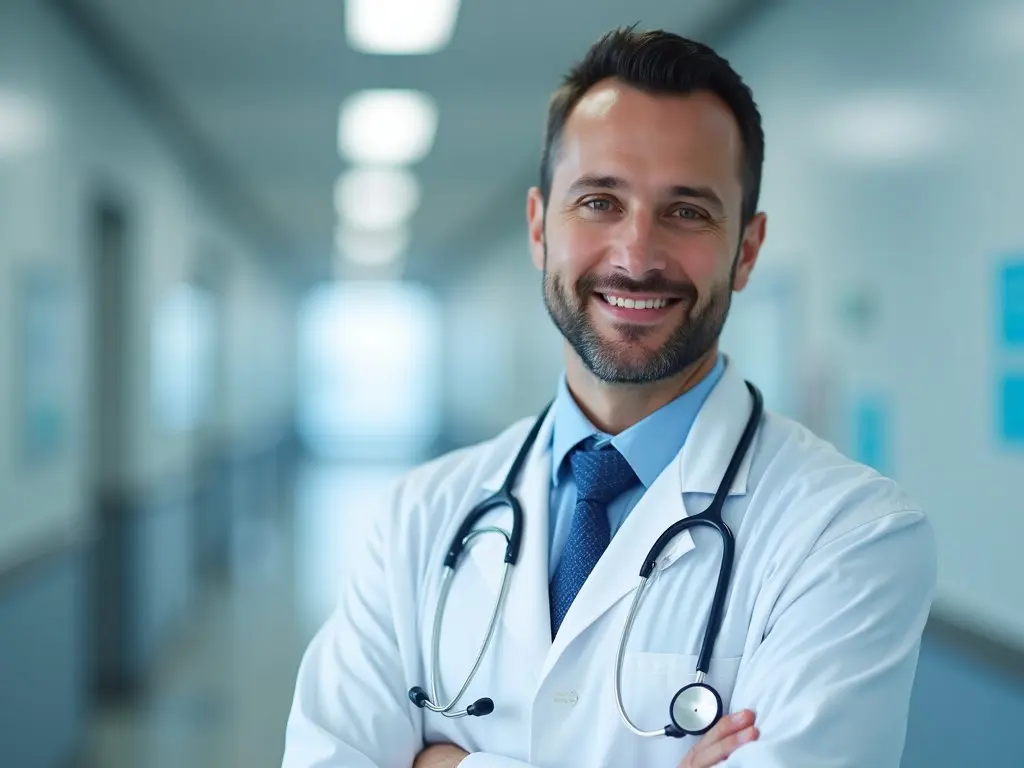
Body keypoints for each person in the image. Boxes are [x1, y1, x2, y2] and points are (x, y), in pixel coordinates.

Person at [281, 26, 936, 768]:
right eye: (599, 202)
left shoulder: (850, 536)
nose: (636, 256)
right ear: (539, 228)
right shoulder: (420, 517)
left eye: (687, 211)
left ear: (746, 251)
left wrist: (448, 762)